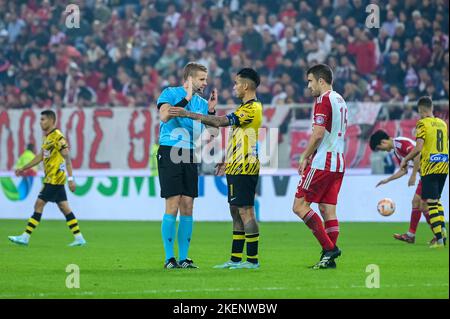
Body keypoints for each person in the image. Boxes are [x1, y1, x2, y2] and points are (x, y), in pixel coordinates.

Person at [169, 68, 263, 269]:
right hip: (236, 165)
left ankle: (252, 261)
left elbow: (220, 122)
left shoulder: (252, 108)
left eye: (237, 83)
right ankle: (236, 259)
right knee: (236, 211)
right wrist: (228, 159)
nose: (234, 87)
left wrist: (188, 114)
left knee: (247, 212)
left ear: (246, 86)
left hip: (246, 167)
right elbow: (240, 138)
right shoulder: (243, 108)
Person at [156, 62, 217, 269]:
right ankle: (169, 258)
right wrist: (186, 99)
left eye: (205, 79)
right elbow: (164, 116)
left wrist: (211, 111)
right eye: (201, 79)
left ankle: (183, 258)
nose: (205, 83)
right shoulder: (170, 93)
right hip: (170, 149)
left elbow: (208, 135)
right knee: (172, 204)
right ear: (190, 79)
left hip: (190, 152)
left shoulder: (201, 103)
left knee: (188, 206)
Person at [292, 64, 347, 269]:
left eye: (310, 81)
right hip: (338, 162)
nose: (308, 86)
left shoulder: (323, 99)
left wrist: (304, 156)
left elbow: (318, 133)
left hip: (323, 162)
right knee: (327, 210)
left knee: (299, 206)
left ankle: (329, 249)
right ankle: (328, 259)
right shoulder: (340, 99)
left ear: (321, 81)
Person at [8, 110, 86, 247]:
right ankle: (79, 238)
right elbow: (40, 157)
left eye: (43, 119)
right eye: (40, 119)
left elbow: (67, 157)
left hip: (55, 179)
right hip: (52, 178)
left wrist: (71, 179)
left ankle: (25, 237)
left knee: (38, 204)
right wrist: (23, 168)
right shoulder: (47, 137)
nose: (40, 122)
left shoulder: (58, 137)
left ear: (51, 120)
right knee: (64, 207)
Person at [369, 130, 435, 243]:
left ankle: (437, 235)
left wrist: (413, 175)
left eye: (380, 148)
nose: (383, 151)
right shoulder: (396, 151)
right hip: (425, 173)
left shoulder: (400, 143)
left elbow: (417, 154)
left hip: (430, 170)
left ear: (383, 142)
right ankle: (412, 235)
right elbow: (403, 171)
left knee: (421, 204)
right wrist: (387, 180)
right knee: (417, 203)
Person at [401, 96, 449, 248]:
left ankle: (440, 241)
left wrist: (405, 159)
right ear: (432, 107)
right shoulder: (443, 123)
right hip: (444, 166)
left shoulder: (422, 123)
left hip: (430, 167)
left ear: (421, 110)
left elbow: (419, 147)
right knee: (437, 201)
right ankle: (443, 233)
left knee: (431, 204)